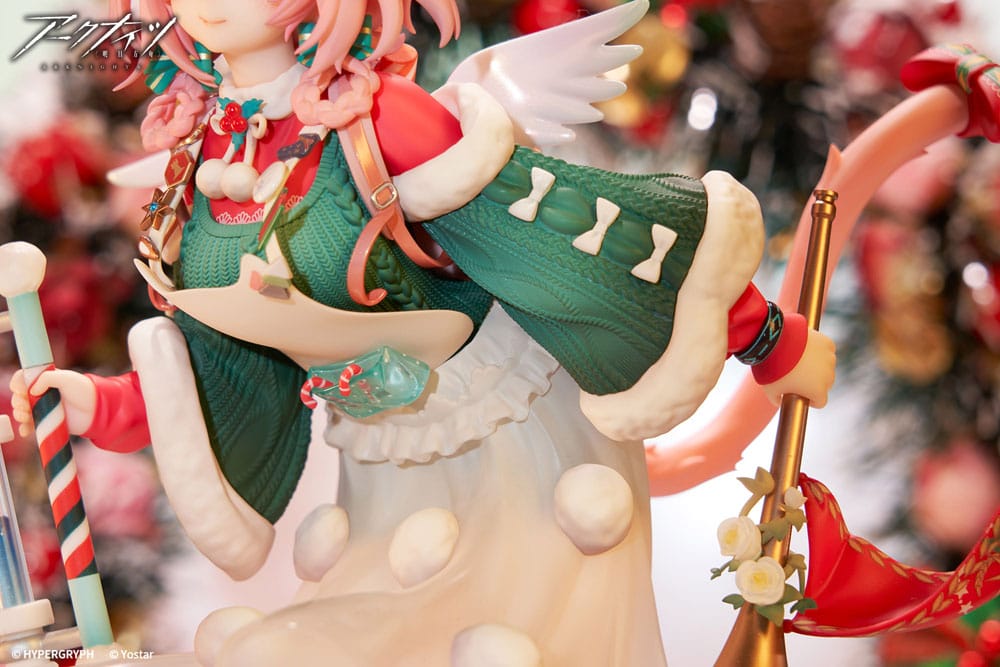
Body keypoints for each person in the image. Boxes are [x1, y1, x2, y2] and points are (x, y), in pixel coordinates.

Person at [10, 0, 835, 664]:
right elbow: (215, 366)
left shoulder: (373, 118)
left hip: (516, 444)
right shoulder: (201, 158)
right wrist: (93, 403)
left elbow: (561, 223)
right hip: (381, 475)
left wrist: (762, 335)